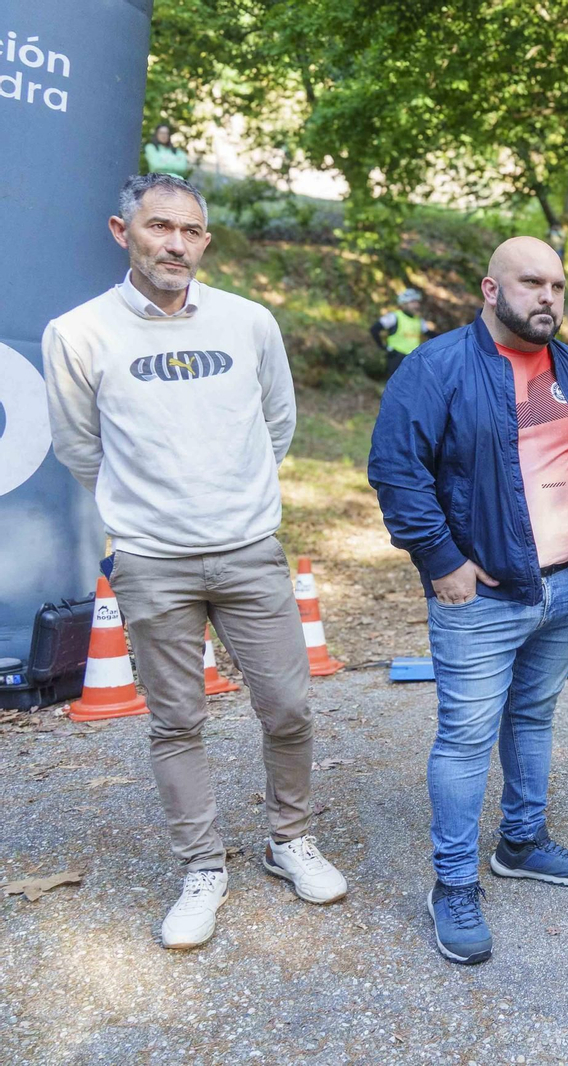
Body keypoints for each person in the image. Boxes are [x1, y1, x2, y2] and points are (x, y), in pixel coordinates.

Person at [42, 174, 346, 950]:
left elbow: (277, 423)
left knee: (289, 707)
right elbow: (82, 448)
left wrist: (230, 500)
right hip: (152, 562)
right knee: (177, 722)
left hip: (249, 552)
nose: (175, 243)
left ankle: (289, 840)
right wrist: (150, 512)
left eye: (190, 231)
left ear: (205, 240)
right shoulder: (78, 333)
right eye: (158, 227)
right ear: (123, 231)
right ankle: (201, 868)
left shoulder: (249, 323)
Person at [369, 236, 568, 965]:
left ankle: (522, 841)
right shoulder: (436, 367)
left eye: (558, 285)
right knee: (465, 737)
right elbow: (396, 469)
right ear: (491, 289)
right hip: (481, 597)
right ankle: (452, 883)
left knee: (535, 713)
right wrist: (439, 558)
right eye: (530, 282)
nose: (547, 296)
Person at [370, 287, 438, 380]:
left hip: (413, 359)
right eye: (413, 302)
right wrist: (383, 347)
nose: (416, 305)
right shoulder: (394, 316)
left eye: (417, 302)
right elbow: (374, 329)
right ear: (404, 303)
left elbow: (431, 334)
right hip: (396, 358)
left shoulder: (419, 320)